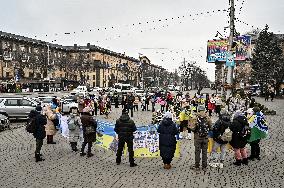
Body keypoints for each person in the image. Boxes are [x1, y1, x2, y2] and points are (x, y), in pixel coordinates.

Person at [189, 106, 212, 171]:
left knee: (197, 152)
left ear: (198, 111)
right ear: (204, 110)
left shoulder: (195, 118)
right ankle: (204, 167)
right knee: (204, 152)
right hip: (205, 138)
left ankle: (197, 166)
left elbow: (192, 129)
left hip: (197, 138)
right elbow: (211, 128)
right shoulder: (207, 118)